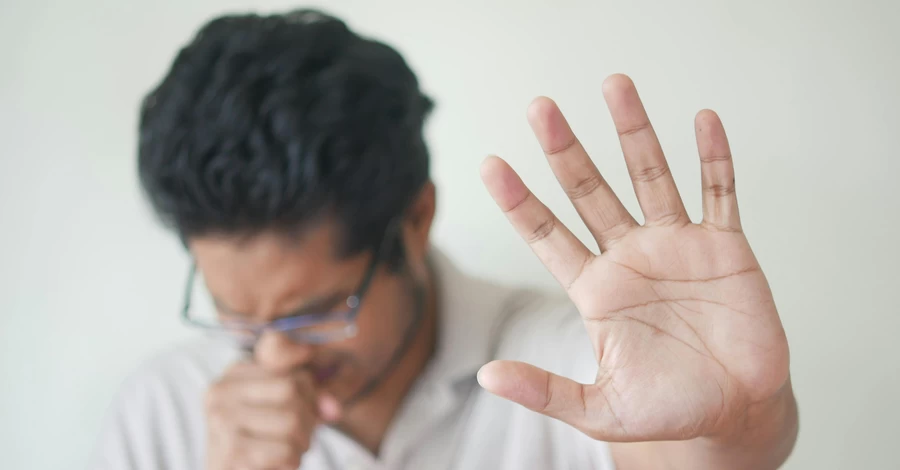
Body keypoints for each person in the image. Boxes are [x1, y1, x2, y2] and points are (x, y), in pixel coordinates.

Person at [90, 8, 798, 470]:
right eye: (238, 317)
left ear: (416, 218)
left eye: (318, 313)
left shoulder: (566, 358)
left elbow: (695, 449)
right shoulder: (162, 410)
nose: (274, 356)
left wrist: (736, 422)